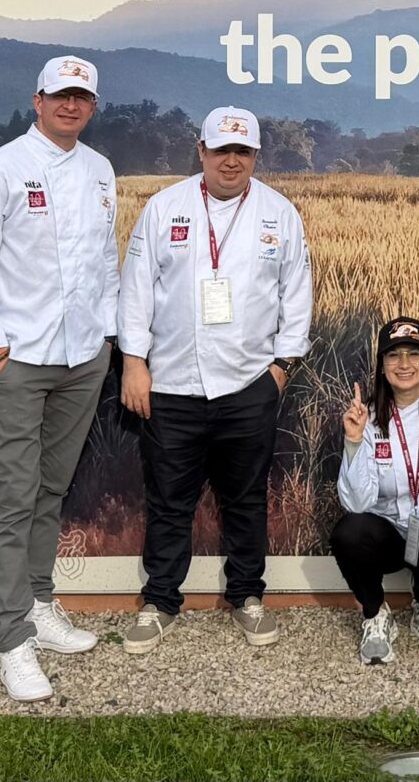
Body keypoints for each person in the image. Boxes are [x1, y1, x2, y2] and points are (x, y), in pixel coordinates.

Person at [0, 55, 119, 702]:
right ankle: (12, 640)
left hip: (81, 359)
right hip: (17, 361)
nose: (71, 106)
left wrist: (106, 335)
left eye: (82, 98)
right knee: (14, 497)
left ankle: (41, 604)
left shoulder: (100, 171)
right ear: (37, 99)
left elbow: (105, 259)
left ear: (92, 106)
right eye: (60, 96)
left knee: (51, 488)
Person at [116, 105, 313, 652]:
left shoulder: (280, 213)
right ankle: (160, 602)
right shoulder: (164, 209)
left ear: (255, 156)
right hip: (172, 384)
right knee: (169, 500)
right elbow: (134, 290)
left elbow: (296, 296)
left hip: (248, 384)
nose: (232, 161)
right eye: (221, 150)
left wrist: (281, 368)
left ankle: (247, 596)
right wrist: (134, 361)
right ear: (200, 152)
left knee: (246, 499)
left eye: (242, 151)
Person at [331, 317, 419, 664]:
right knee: (349, 533)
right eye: (394, 356)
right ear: (382, 365)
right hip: (390, 529)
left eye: (414, 354)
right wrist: (353, 441)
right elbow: (356, 503)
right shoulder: (369, 417)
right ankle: (375, 614)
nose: (404, 364)